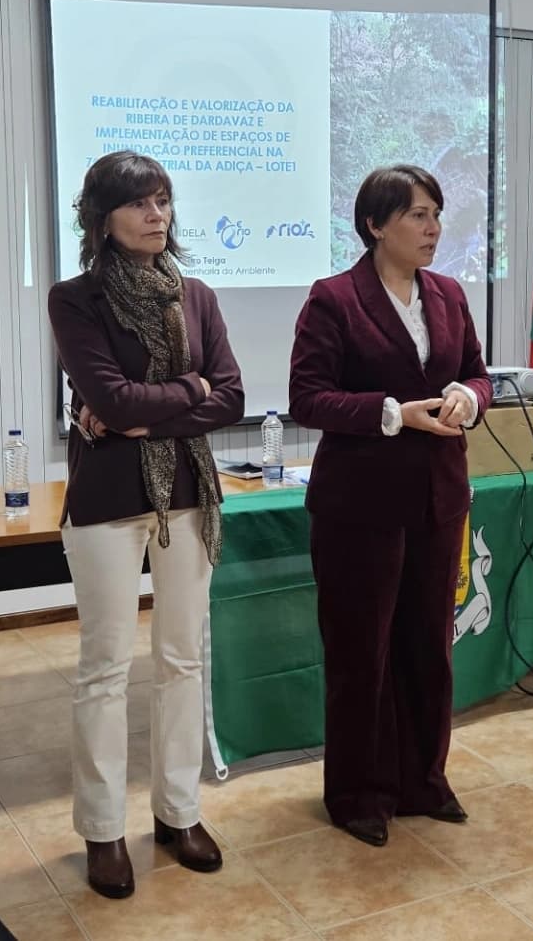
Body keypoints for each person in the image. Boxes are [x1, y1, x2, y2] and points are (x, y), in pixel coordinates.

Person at [47, 151, 243, 898]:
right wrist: (172, 397)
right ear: (102, 219)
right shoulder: (75, 300)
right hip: (104, 500)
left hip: (189, 494)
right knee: (104, 665)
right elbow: (112, 399)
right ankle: (102, 831)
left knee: (183, 657)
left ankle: (178, 813)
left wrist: (158, 398)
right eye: (139, 204)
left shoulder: (197, 295)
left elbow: (228, 397)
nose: (157, 215)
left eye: (163, 201)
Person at [288, 164, 491, 847]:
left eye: (436, 213)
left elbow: (477, 372)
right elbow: (307, 398)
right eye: (417, 215)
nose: (434, 228)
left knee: (427, 646)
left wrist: (470, 396)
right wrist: (389, 414)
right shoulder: (334, 299)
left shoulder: (449, 294)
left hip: (438, 499)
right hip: (359, 505)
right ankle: (358, 793)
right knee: (361, 652)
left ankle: (423, 781)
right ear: (375, 225)